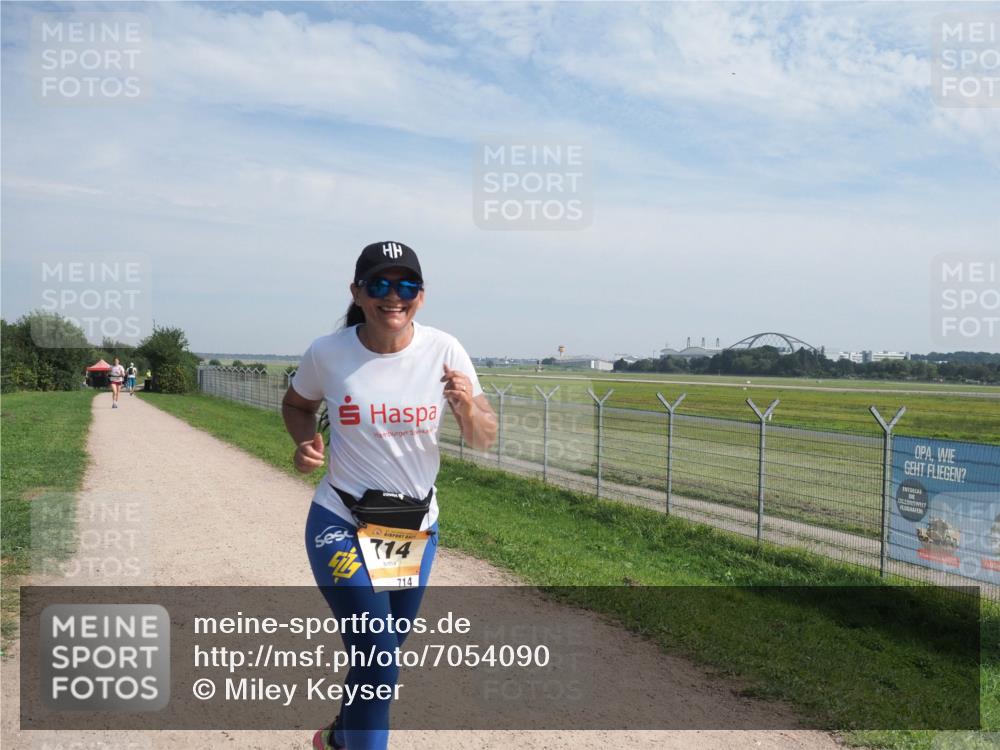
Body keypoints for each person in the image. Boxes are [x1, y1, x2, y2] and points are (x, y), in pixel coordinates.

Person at [281, 241, 497, 750]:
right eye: (379, 284)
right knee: (379, 655)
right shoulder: (327, 353)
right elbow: (296, 404)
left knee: (380, 657)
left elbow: (485, 437)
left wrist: (467, 407)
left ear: (421, 296)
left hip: (409, 526)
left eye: (405, 285)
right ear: (357, 292)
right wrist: (303, 443)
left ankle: (338, 738)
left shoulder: (445, 350)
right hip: (342, 520)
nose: (392, 296)